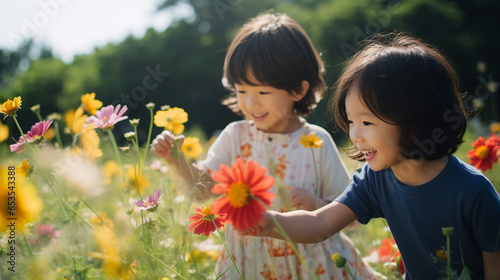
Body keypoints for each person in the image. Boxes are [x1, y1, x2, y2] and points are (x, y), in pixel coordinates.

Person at [242, 32, 500, 280]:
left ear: (415, 118)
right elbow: (320, 223)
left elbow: (494, 266)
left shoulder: (473, 192)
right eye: (351, 121)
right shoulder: (375, 179)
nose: (355, 135)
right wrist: (269, 222)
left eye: (367, 122)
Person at [151, 13, 375, 280]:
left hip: (311, 265)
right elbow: (203, 190)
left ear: (298, 90)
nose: (250, 103)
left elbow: (349, 214)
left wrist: (317, 203)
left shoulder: (317, 141)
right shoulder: (235, 136)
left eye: (262, 92)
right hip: (251, 263)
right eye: (241, 90)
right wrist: (176, 160)